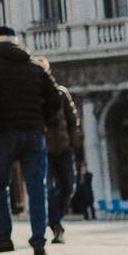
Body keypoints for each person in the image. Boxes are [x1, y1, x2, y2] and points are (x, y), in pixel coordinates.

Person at [0, 25, 54, 255]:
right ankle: (39, 241)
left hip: (3, 134)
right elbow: (54, 100)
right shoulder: (35, 67)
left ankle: (3, 238)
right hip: (33, 134)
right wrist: (42, 121)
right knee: (37, 187)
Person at [40, 61, 79, 244]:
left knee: (69, 186)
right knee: (46, 189)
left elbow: (73, 120)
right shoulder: (33, 97)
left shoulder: (62, 94)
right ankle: (56, 225)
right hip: (44, 150)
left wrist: (74, 144)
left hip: (64, 148)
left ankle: (54, 219)